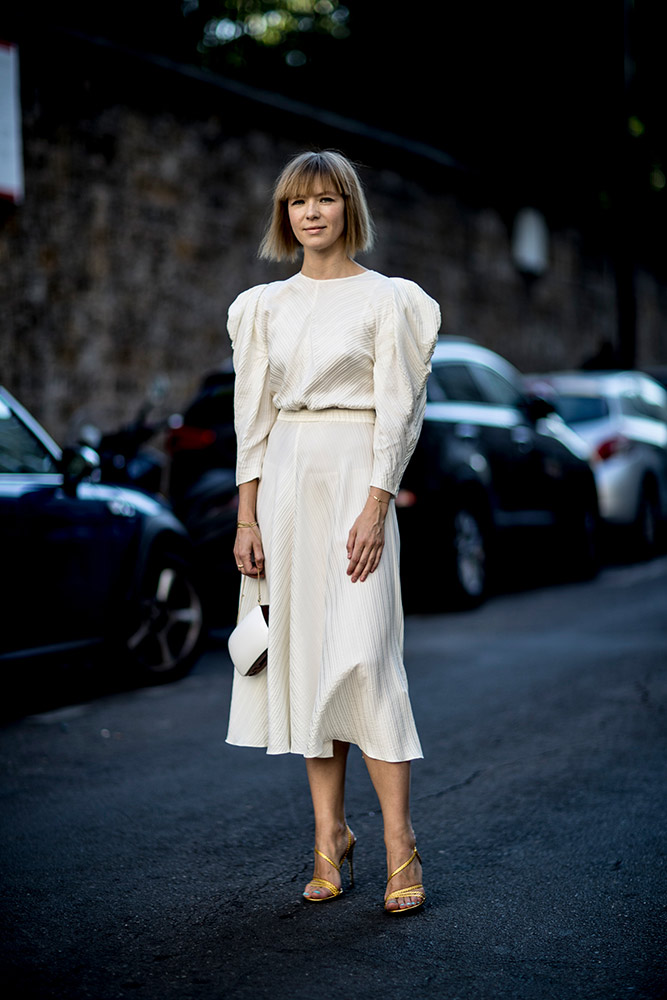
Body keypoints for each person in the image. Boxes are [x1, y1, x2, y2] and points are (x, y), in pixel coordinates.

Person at [227, 150, 440, 913]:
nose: (310, 213)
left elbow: (398, 411)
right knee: (308, 664)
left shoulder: (391, 302)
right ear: (284, 217)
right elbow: (250, 419)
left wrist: (376, 504)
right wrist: (246, 517)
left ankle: (398, 843)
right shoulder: (262, 307)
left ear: (349, 208)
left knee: (366, 659)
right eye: (296, 203)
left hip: (357, 478)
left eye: (325, 199)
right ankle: (328, 839)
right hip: (284, 485)